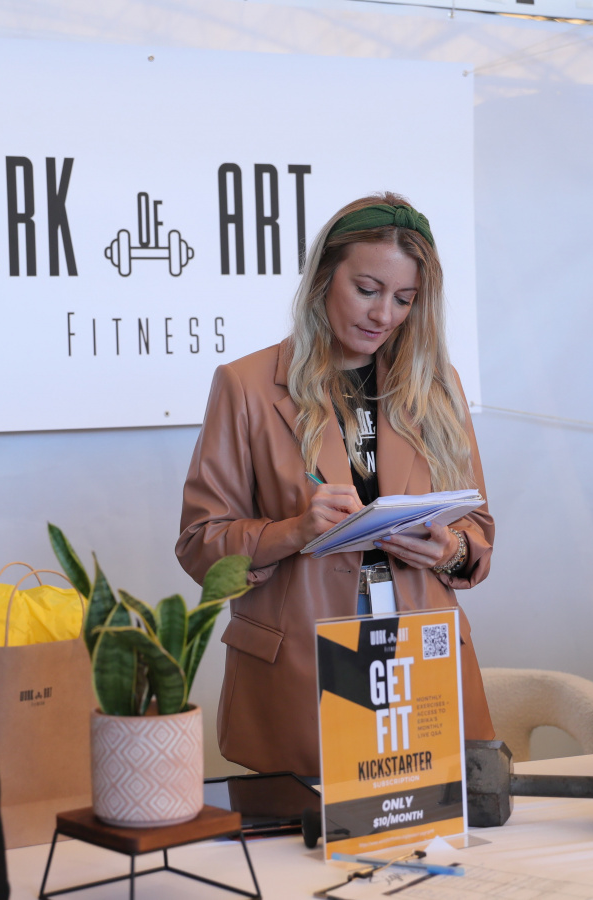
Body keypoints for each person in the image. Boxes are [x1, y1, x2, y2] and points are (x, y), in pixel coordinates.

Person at [176, 193, 496, 777]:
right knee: (315, 831)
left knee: (426, 819)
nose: (385, 315)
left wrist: (449, 548)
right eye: (367, 290)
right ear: (323, 277)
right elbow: (201, 544)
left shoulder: (436, 385)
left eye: (404, 299)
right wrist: (294, 531)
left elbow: (477, 528)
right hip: (302, 661)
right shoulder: (246, 386)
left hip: (420, 655)